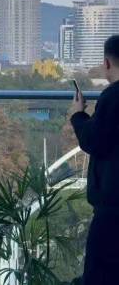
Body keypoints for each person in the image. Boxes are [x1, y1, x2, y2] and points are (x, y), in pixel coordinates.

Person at [70, 35, 119, 284]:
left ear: (107, 63)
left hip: (112, 208)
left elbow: (95, 141)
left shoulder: (112, 97)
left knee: (99, 273)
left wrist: (78, 115)